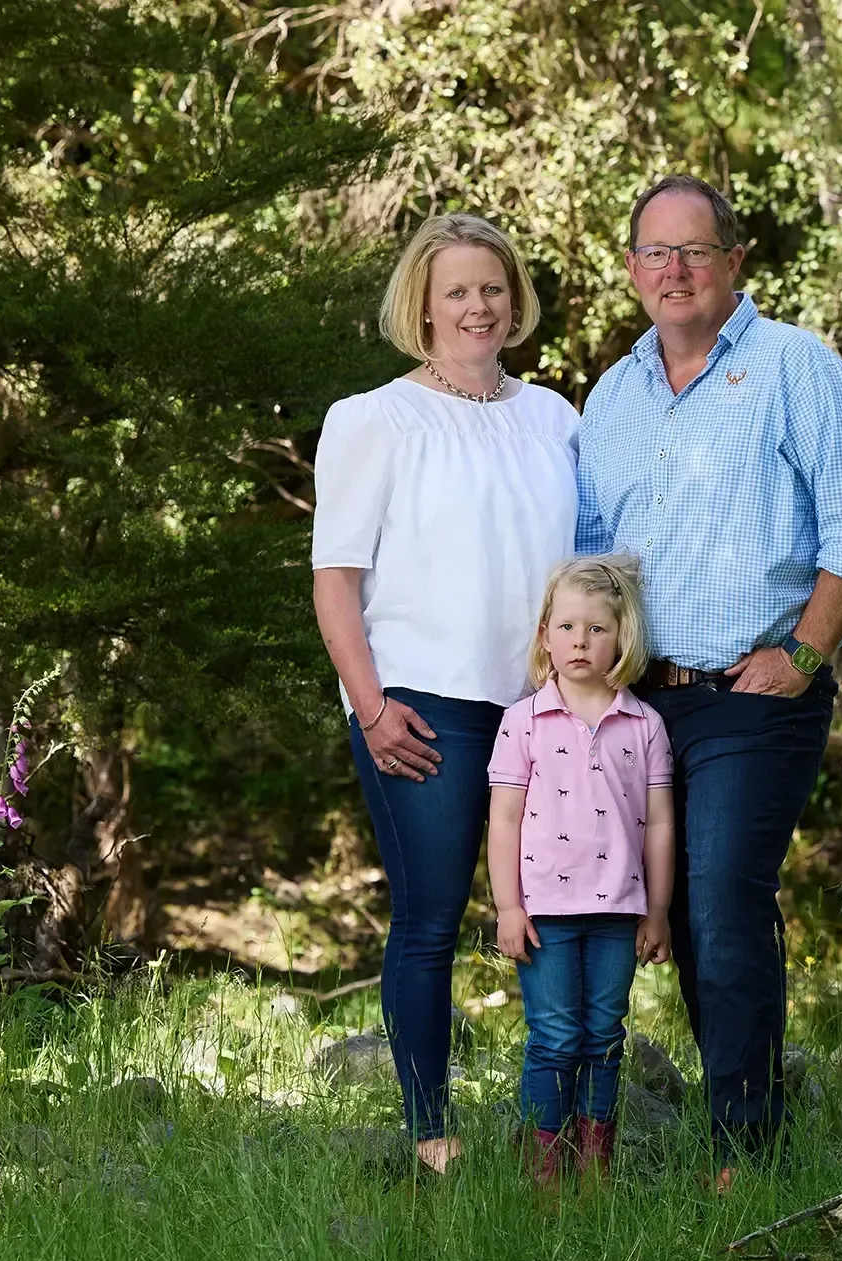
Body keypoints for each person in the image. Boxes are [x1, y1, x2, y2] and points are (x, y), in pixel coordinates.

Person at [576, 175, 842, 1182]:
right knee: (663, 915)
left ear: (735, 261)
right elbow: (590, 556)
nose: (676, 271)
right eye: (656, 254)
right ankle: (712, 1122)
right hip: (638, 702)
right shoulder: (613, 394)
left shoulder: (793, 366)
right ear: (632, 270)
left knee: (722, 895)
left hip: (752, 695)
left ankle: (746, 1153)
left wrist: (802, 655)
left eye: (696, 250)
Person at [311, 214, 579, 1175]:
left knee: (558, 911)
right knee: (431, 917)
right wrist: (372, 706)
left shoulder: (555, 416)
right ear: (421, 303)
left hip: (547, 709)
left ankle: (556, 1130)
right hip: (425, 705)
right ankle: (432, 1132)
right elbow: (335, 581)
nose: (479, 306)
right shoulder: (373, 419)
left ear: (516, 300)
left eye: (494, 288)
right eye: (458, 290)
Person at [487, 554, 677, 1186]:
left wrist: (658, 910)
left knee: (603, 1036)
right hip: (544, 912)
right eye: (566, 627)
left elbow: (659, 823)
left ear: (622, 637)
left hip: (620, 912)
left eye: (597, 629)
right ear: (545, 634)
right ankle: (544, 1169)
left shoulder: (644, 724)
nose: (580, 641)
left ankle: (595, 1162)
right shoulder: (523, 722)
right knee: (554, 1038)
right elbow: (505, 820)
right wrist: (509, 907)